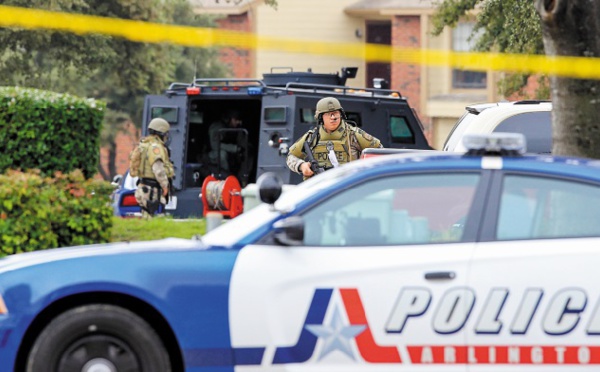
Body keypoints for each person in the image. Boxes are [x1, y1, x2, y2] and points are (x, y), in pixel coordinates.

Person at [287, 96, 383, 180]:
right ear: (321, 117)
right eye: (328, 114)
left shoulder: (354, 134)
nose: (333, 117)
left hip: (348, 184)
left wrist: (364, 169)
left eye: (336, 113)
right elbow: (291, 156)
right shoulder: (312, 137)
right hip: (319, 186)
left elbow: (380, 152)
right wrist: (301, 166)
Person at [132, 117, 174, 218]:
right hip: (153, 190)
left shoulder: (145, 144)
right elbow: (158, 169)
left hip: (145, 187)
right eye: (165, 134)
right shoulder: (156, 147)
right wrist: (165, 185)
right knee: (155, 217)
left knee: (146, 216)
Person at [208, 109, 246, 174]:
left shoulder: (236, 129)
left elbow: (242, 144)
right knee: (222, 154)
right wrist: (234, 148)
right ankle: (225, 177)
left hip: (230, 154)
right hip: (212, 154)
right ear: (229, 119)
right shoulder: (217, 127)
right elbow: (214, 145)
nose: (238, 122)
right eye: (236, 120)